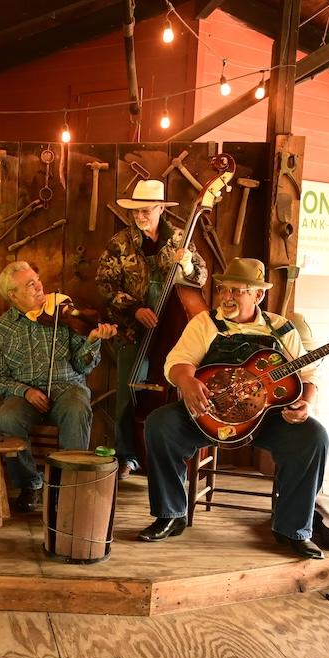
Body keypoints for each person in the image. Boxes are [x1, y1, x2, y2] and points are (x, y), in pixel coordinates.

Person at [138, 258, 329, 559]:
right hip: (207, 412)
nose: (227, 297)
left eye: (237, 291)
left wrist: (307, 402)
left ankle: (293, 529)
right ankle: (170, 514)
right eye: (224, 290)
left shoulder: (281, 329)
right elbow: (177, 362)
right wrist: (186, 382)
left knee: (313, 437)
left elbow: (309, 374)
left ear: (258, 295)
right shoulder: (205, 324)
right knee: (160, 423)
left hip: (267, 418)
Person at [96, 179, 208, 480]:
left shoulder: (180, 240)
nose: (140, 216)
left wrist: (184, 267)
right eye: (136, 212)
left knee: (167, 393)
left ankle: (166, 455)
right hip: (133, 330)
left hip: (172, 331)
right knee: (127, 394)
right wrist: (135, 308)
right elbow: (106, 284)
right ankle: (127, 456)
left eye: (146, 210)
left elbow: (200, 277)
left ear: (161, 208)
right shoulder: (119, 242)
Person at [0, 261, 117, 512]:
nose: (39, 286)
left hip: (67, 387)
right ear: (13, 295)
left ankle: (69, 486)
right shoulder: (0, 330)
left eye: (37, 279)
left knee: (77, 407)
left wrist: (91, 341)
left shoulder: (62, 313)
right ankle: (30, 484)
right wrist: (25, 391)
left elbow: (82, 366)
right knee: (7, 418)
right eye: (29, 284)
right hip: (25, 393)